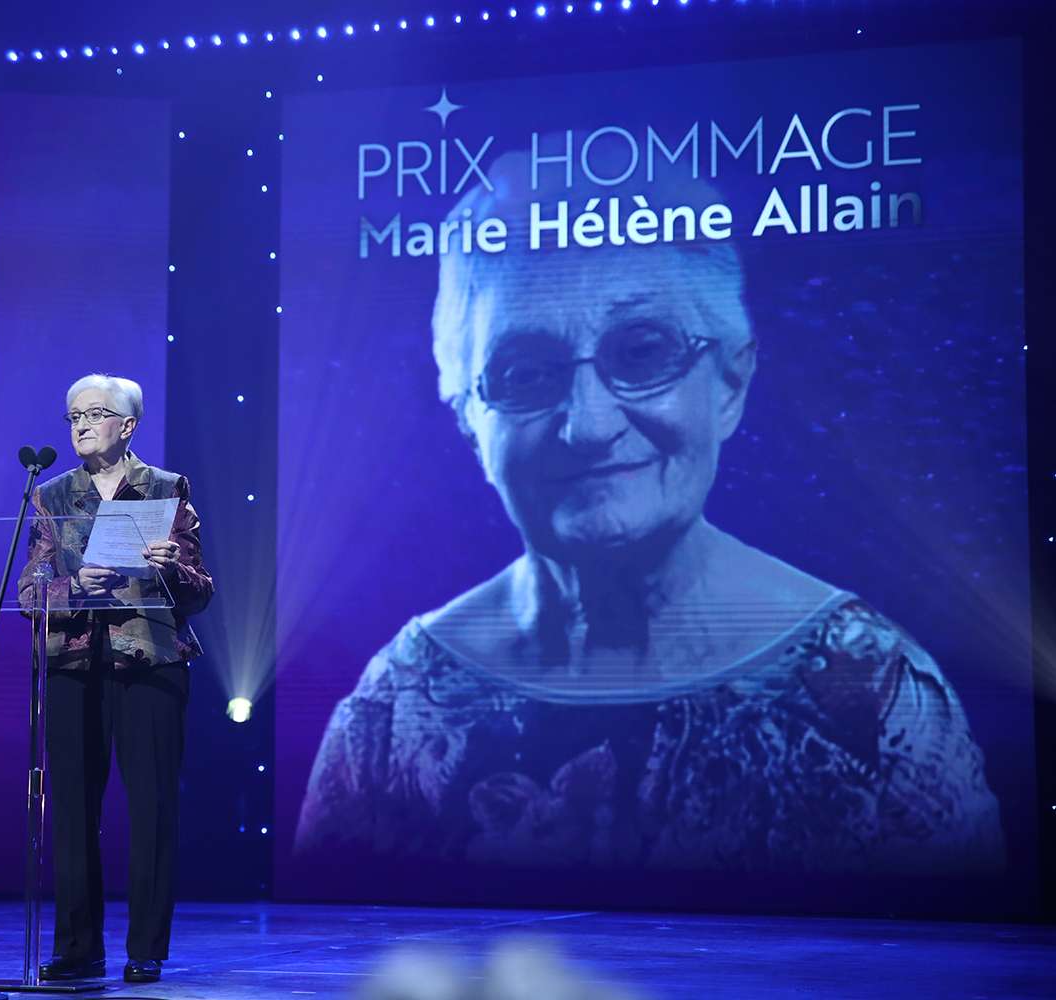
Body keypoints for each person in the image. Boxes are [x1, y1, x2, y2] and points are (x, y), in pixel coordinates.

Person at [294, 145, 1005, 875]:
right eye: (526, 373)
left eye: (641, 352)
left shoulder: (878, 690)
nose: (589, 424)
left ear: (729, 383)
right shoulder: (394, 704)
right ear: (470, 421)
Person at [17, 374, 213, 985]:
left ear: (127, 426)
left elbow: (201, 592)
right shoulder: (52, 495)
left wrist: (174, 569)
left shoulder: (165, 488)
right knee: (73, 809)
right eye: (73, 414)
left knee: (151, 808)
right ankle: (79, 948)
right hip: (75, 664)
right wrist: (76, 587)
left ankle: (145, 946)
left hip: (149, 660)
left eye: (95, 413)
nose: (80, 424)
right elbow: (30, 591)